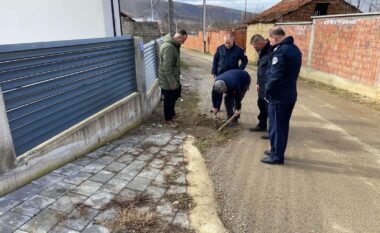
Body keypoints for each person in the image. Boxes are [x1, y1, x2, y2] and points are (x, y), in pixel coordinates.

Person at [261, 27, 302, 165]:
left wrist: (267, 92)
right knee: (282, 126)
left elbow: (275, 77)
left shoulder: (281, 52)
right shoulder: (294, 49)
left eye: (270, 39)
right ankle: (275, 150)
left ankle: (277, 156)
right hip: (289, 94)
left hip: (279, 96)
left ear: (275, 37)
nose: (269, 42)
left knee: (277, 127)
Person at [158, 30, 188, 127]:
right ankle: (168, 119)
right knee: (169, 99)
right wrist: (171, 81)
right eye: (183, 40)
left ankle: (171, 114)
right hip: (168, 79)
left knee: (175, 95)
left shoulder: (174, 45)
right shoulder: (169, 47)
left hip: (173, 77)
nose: (183, 43)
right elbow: (167, 67)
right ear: (178, 37)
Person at [211, 34, 248, 112]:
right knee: (218, 90)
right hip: (220, 73)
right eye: (225, 43)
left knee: (231, 93)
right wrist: (214, 71)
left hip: (232, 76)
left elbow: (245, 60)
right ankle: (216, 107)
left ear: (233, 41)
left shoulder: (239, 50)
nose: (227, 44)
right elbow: (215, 60)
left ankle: (234, 108)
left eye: (229, 43)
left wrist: (240, 70)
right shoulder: (220, 49)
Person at [249, 34, 272, 133]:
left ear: (261, 43)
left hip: (268, 85)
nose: (254, 48)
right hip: (262, 84)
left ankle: (271, 130)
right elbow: (261, 69)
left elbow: (271, 70)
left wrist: (269, 85)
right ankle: (261, 125)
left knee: (269, 107)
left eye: (255, 46)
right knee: (261, 104)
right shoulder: (261, 51)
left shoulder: (271, 51)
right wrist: (258, 82)